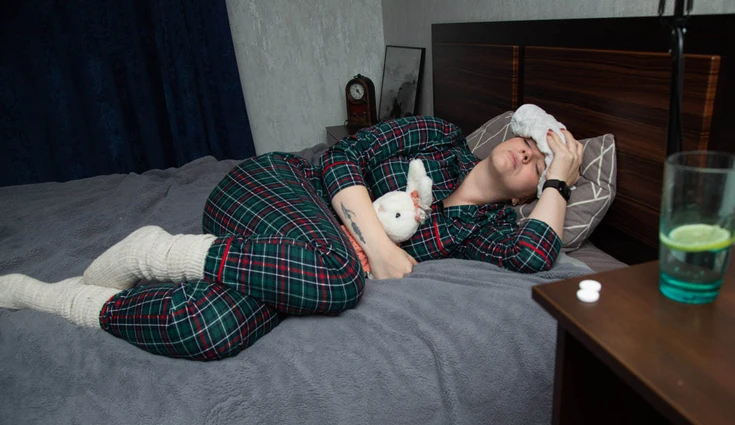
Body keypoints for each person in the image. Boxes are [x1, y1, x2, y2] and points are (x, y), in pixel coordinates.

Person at [0, 116, 583, 361]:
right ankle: (151, 252)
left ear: (525, 197)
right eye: (531, 142)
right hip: (274, 187)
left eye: (538, 165)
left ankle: (59, 298)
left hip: (280, 259)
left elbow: (533, 254)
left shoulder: (483, 229)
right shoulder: (439, 136)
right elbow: (342, 157)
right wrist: (379, 247)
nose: (528, 154)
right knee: (342, 275)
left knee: (209, 328)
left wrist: (560, 178)